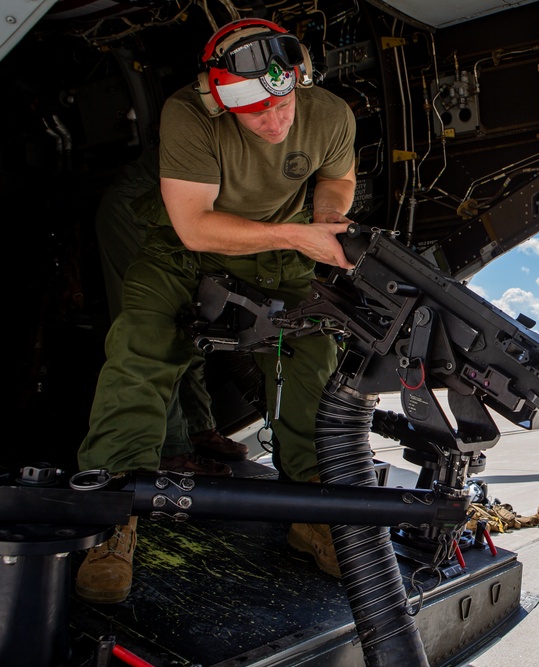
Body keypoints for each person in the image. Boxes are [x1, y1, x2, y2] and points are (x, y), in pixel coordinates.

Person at [75, 18, 357, 604]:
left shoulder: (329, 113)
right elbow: (194, 225)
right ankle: (110, 518)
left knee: (314, 355)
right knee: (140, 349)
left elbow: (337, 178)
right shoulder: (189, 115)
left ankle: (312, 514)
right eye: (256, 111)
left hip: (279, 253)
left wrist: (327, 218)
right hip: (184, 251)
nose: (277, 121)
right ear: (221, 99)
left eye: (284, 103)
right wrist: (298, 236)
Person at [94, 150, 248, 477]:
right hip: (141, 211)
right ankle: (172, 450)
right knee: (160, 332)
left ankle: (196, 429)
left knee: (189, 323)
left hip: (176, 213)